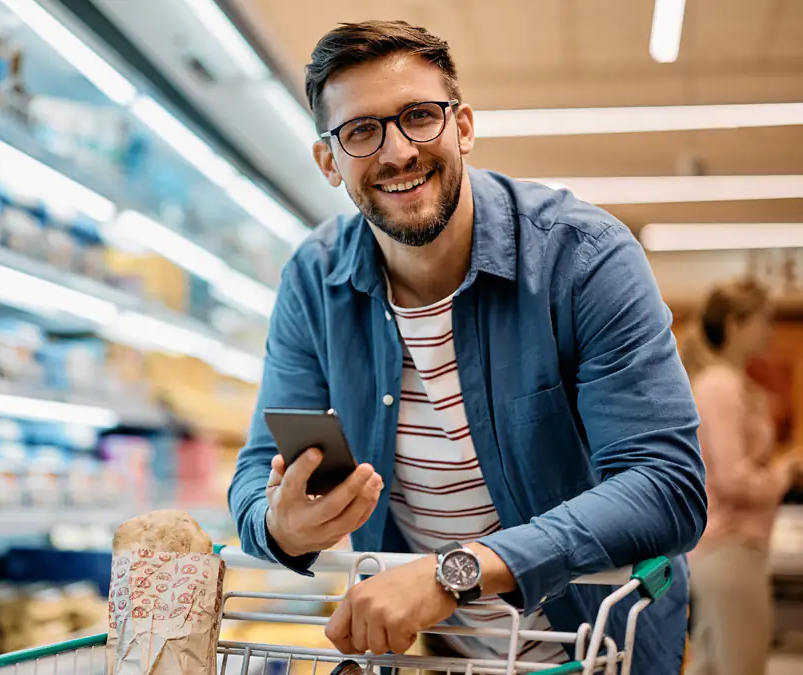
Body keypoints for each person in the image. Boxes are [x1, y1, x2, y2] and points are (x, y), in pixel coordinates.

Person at [226, 19, 707, 673]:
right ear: (329, 162)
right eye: (362, 130)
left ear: (464, 127)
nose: (397, 151)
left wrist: (453, 572)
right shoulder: (316, 282)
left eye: (420, 116)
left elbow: (667, 485)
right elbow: (257, 472)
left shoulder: (583, 259)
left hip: (598, 648)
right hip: (445, 656)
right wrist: (278, 526)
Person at [680, 280, 799, 675]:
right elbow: (731, 478)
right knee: (740, 665)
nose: (768, 331)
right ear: (735, 323)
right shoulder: (720, 385)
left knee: (715, 663)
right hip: (729, 546)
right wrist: (783, 474)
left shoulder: (726, 382)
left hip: (726, 548)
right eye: (762, 321)